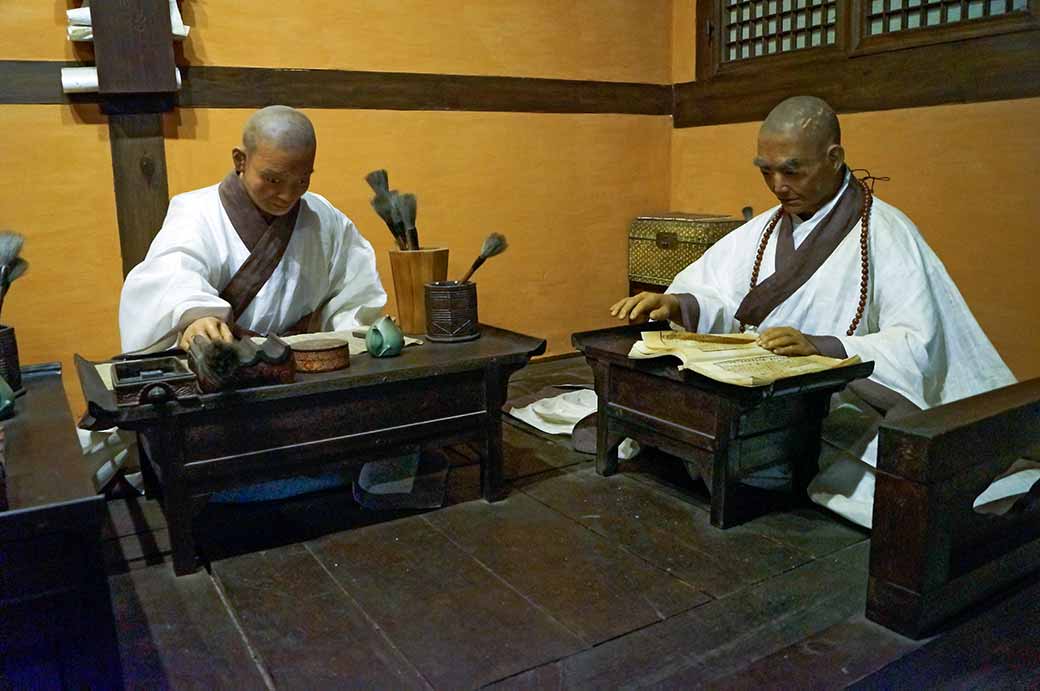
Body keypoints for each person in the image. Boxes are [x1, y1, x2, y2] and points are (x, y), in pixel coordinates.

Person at [609, 96, 1016, 527]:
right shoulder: (765, 229)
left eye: (791, 170)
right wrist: (678, 303)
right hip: (759, 385)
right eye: (766, 171)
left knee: (863, 489)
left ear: (834, 158)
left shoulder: (885, 232)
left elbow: (918, 341)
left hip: (845, 399)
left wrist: (821, 347)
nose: (778, 185)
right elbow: (719, 292)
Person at [119, 105, 386, 353]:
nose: (287, 195)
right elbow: (172, 276)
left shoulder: (323, 218)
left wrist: (347, 337)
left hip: (301, 365)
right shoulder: (196, 212)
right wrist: (195, 316)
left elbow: (355, 292)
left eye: (302, 180)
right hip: (225, 368)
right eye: (273, 179)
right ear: (240, 161)